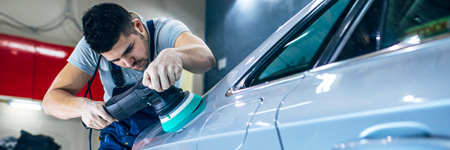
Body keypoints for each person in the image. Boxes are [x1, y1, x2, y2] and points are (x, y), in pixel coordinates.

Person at [42, 3, 215, 149]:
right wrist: (82, 106)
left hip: (166, 125)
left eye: (129, 49)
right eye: (116, 59)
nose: (128, 63)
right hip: (118, 133)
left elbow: (207, 58)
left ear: (138, 26)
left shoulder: (166, 30)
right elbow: (50, 102)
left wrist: (177, 54)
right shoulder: (91, 48)